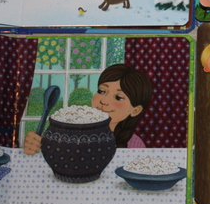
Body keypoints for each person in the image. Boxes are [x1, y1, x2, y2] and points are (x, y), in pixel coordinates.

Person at [24, 64, 153, 153]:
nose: (103, 101)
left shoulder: (134, 144)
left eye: (118, 97)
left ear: (135, 110)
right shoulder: (71, 134)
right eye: (101, 91)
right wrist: (36, 144)